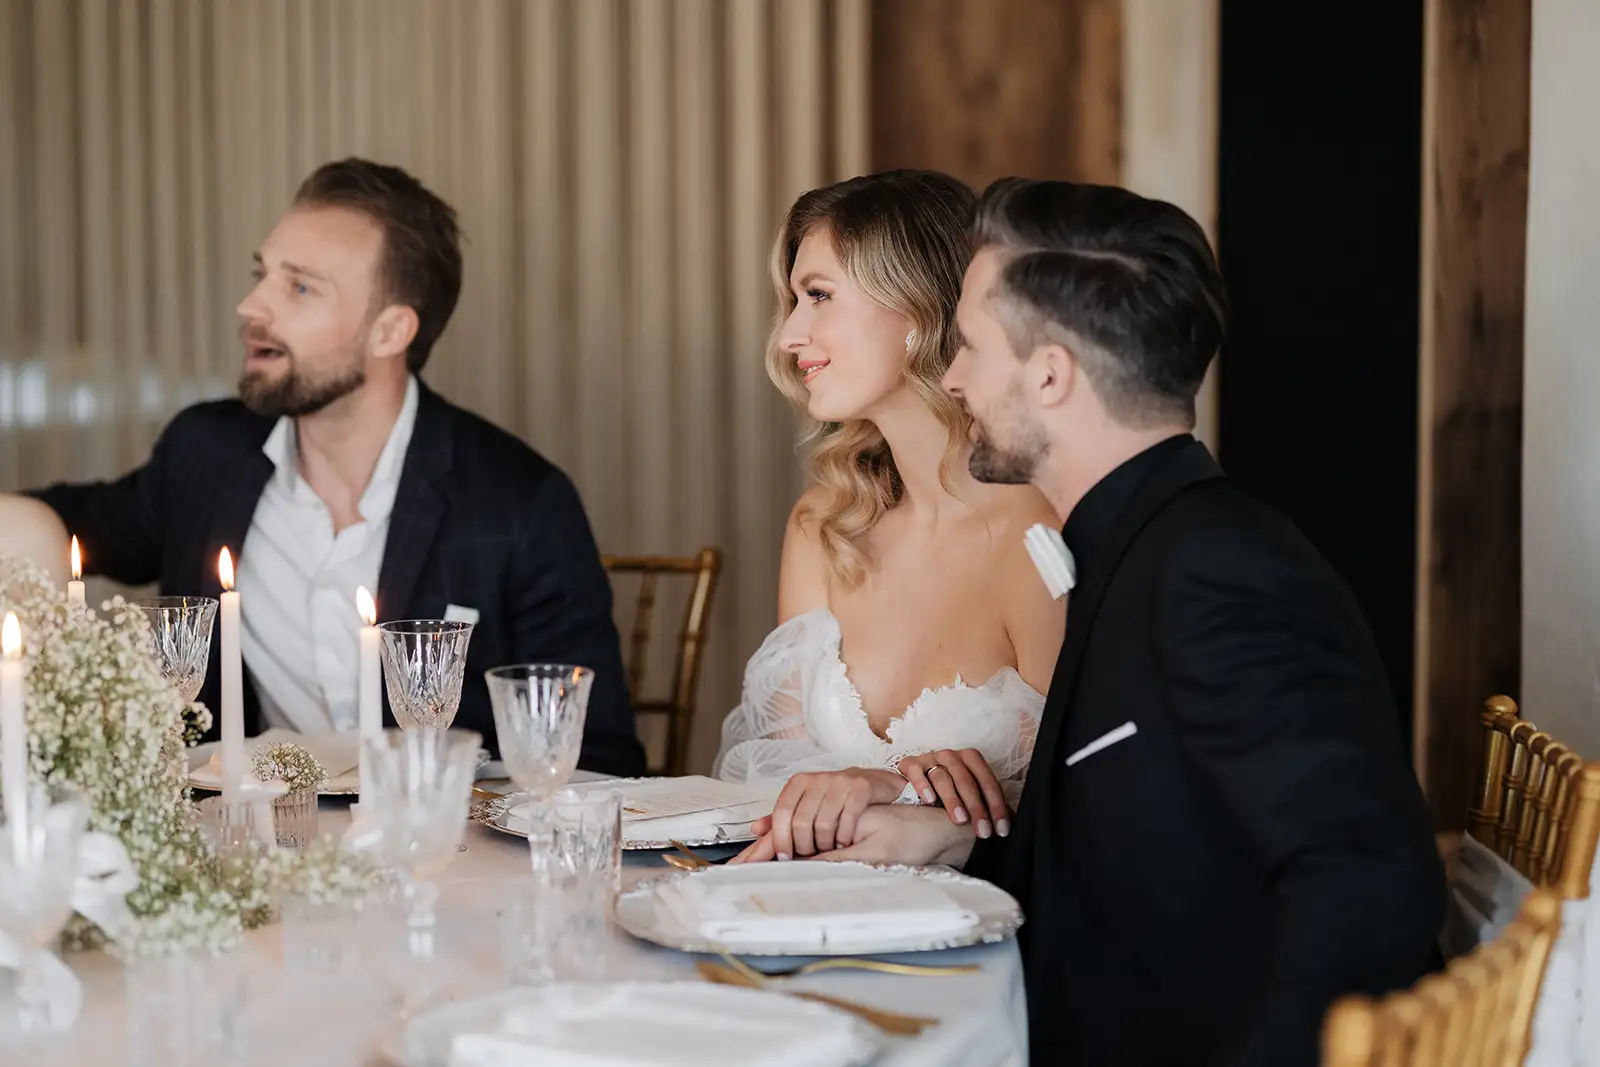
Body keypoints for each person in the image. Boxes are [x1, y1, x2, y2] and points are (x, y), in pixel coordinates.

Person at [739, 178, 1446, 1065]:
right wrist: (951, 837)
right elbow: (1133, 839)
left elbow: (1370, 885)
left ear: (1049, 374)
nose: (951, 377)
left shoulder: (1214, 571)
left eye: (970, 346)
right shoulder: (1123, 547)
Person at [14, 158, 645, 777]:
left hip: (445, 838)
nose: (250, 306)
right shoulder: (206, 456)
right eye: (261, 275)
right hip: (252, 835)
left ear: (389, 331)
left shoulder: (521, 501)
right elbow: (58, 524)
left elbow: (600, 757)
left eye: (299, 287)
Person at [713, 170, 1065, 853]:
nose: (789, 335)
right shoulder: (824, 526)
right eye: (794, 301)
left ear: (917, 306)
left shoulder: (1039, 536)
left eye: (818, 296)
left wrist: (908, 797)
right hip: (811, 901)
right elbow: (774, 785)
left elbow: (1088, 797)